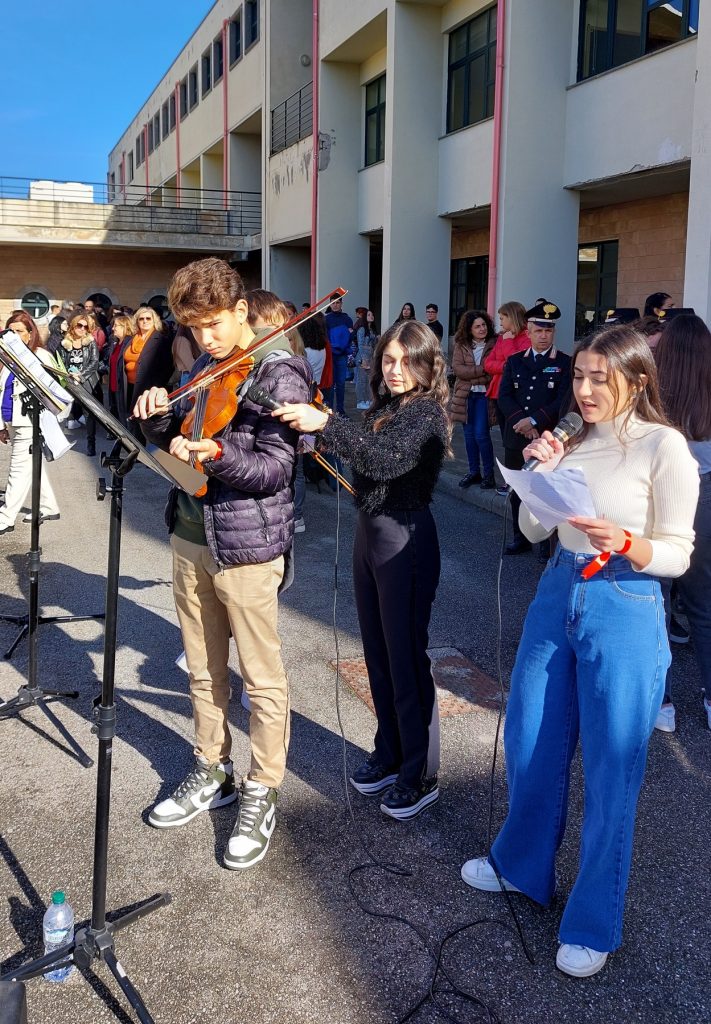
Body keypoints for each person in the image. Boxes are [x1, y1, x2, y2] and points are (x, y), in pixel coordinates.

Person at [461, 323, 699, 977]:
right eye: (579, 375)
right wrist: (543, 470)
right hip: (556, 589)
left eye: (600, 376)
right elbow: (532, 523)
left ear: (637, 380)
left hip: (623, 599)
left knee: (609, 770)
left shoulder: (663, 447)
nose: (585, 388)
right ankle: (520, 865)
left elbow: (677, 552)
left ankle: (593, 922)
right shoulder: (573, 439)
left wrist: (623, 539)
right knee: (530, 738)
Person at [134, 257, 311, 871]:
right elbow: (174, 435)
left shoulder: (279, 372)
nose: (204, 340)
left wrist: (214, 457)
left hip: (247, 547)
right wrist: (158, 410)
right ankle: (212, 768)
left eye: (212, 325)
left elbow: (275, 469)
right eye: (193, 329)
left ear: (241, 312)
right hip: (188, 534)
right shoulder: (206, 367)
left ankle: (262, 786)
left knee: (261, 677)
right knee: (204, 670)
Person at [274, 320, 450, 820]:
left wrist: (326, 425)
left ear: (427, 364)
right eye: (389, 360)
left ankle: (419, 772)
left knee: (406, 657)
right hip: (370, 533)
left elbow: (385, 457)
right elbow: (361, 454)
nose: (395, 370)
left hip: (405, 538)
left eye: (407, 361)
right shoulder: (388, 407)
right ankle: (390, 752)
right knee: (376, 652)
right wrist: (324, 426)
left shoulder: (426, 414)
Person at [654, 313, 711, 732]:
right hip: (706, 495)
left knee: (656, 600)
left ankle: (662, 700)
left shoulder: (656, 386)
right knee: (704, 605)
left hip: (659, 493)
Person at [498, 300, 571, 553]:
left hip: (548, 436)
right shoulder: (515, 361)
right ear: (528, 332)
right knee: (519, 488)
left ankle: (545, 543)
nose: (543, 335)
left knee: (546, 492)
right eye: (538, 331)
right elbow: (504, 395)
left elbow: (562, 399)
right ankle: (521, 538)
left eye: (548, 331)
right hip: (517, 435)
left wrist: (535, 421)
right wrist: (523, 422)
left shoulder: (564, 363)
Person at [0, 311, 61, 534]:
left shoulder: (41, 357)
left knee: (18, 468)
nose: (14, 335)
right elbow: (2, 391)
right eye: (10, 331)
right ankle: (48, 505)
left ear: (29, 334)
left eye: (19, 331)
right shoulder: (6, 358)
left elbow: (53, 391)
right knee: (31, 464)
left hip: (30, 421)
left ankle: (5, 516)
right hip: (11, 420)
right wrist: (1, 425)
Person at [450, 310, 496, 490]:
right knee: (469, 437)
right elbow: (458, 370)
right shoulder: (461, 344)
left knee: (481, 435)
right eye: (477, 326)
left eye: (484, 325)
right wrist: (482, 370)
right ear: (469, 329)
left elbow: (493, 371)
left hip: (484, 396)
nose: (482, 328)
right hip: (465, 396)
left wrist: (480, 373)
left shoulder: (494, 343)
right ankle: (474, 472)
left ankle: (489, 475)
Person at [484, 300, 529, 441]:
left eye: (502, 318)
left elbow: (517, 364)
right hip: (498, 392)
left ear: (511, 317)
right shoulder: (502, 337)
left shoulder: (527, 337)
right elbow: (488, 364)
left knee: (516, 435)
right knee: (505, 436)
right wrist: (504, 367)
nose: (501, 322)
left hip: (516, 393)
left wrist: (509, 342)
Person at [59, 313, 101, 456]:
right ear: (73, 325)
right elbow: (60, 363)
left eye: (86, 327)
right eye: (79, 325)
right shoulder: (64, 343)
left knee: (89, 414)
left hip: (87, 383)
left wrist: (81, 375)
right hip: (69, 382)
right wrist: (68, 375)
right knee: (63, 411)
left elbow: (94, 363)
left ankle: (91, 443)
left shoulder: (90, 343)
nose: (82, 329)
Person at [324, 296, 353, 415]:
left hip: (342, 355)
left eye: (338, 303)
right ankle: (329, 410)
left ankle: (340, 410)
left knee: (341, 383)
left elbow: (351, 336)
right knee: (330, 383)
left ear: (341, 304)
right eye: (333, 303)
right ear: (330, 305)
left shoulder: (347, 319)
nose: (335, 305)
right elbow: (325, 337)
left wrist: (344, 346)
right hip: (330, 355)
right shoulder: (326, 319)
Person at [107, 313, 136, 424]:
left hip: (124, 388)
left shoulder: (130, 342)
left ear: (125, 327)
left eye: (116, 325)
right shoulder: (116, 343)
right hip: (114, 386)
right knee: (119, 418)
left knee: (126, 419)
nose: (113, 328)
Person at [355, 311, 377, 409]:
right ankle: (360, 401)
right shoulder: (362, 329)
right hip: (362, 358)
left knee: (369, 381)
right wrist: (364, 359)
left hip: (370, 357)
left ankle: (368, 400)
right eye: (368, 315)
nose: (371, 316)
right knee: (361, 380)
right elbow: (360, 345)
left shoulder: (372, 330)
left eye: (372, 314)